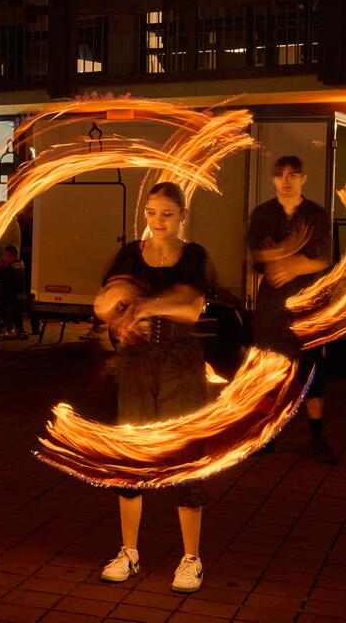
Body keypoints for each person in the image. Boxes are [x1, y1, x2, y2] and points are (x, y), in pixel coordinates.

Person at [95, 181, 212, 594]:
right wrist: (116, 309)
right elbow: (102, 302)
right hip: (136, 364)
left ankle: (191, 558)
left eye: (166, 213)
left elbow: (191, 309)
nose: (157, 221)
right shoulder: (130, 253)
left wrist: (146, 304)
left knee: (183, 456)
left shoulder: (193, 256)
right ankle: (129, 551)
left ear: (181, 216)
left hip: (179, 362)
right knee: (131, 455)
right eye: (151, 212)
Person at [246, 155, 334, 463]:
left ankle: (317, 437)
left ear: (303, 179)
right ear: (273, 179)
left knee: (312, 372)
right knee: (270, 370)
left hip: (307, 306)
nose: (286, 179)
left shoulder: (315, 215)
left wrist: (292, 264)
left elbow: (323, 259)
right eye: (280, 174)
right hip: (272, 309)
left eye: (293, 174)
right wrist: (296, 254)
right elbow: (260, 256)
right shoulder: (263, 214)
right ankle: (266, 436)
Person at [0, 245, 28, 346]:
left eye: (5, 255)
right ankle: (0, 330)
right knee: (4, 313)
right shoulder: (5, 267)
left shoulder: (18, 267)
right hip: (4, 295)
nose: (3, 257)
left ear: (13, 257)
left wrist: (5, 269)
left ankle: (18, 329)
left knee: (15, 314)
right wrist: (0, 269)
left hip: (14, 296)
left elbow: (15, 280)